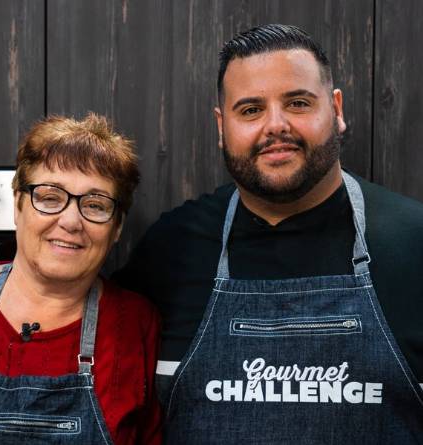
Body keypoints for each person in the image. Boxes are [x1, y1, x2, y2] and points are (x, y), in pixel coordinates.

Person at [113, 24, 423, 443]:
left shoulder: (413, 243)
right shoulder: (172, 249)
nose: (275, 125)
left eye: (297, 103)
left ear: (336, 109)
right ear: (222, 126)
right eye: (250, 110)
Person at [0, 113, 161, 444]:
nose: (71, 221)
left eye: (95, 205)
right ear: (18, 205)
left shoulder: (137, 323)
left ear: (117, 227)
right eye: (50, 198)